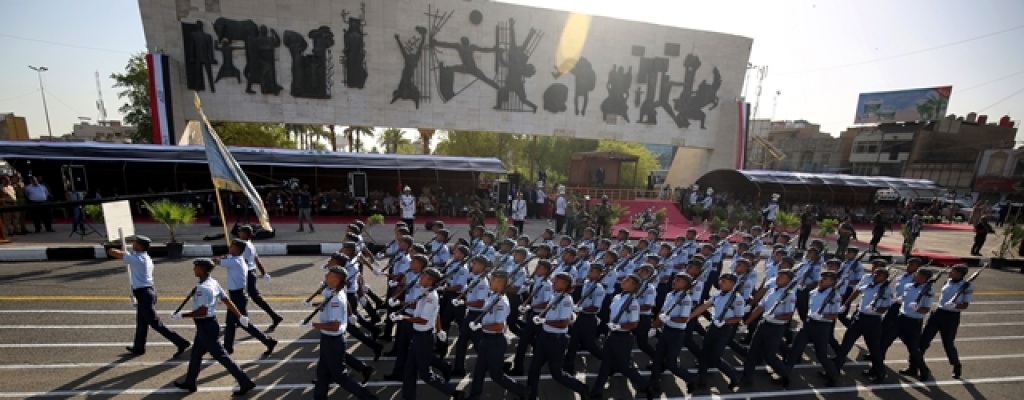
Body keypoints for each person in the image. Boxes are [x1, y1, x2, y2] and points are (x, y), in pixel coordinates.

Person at [171, 258, 256, 396]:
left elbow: (202, 312)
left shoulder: (203, 289)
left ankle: (245, 381)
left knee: (222, 357)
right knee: (196, 354)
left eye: (196, 267)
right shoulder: (213, 282)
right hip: (208, 326)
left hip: (206, 327)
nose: (194, 269)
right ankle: (190, 382)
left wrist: (182, 315)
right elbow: (226, 300)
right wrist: (240, 316)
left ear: (203, 270)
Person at [107, 235, 191, 357]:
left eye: (135, 243)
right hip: (146, 292)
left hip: (144, 294)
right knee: (142, 322)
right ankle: (139, 347)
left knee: (155, 323)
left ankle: (180, 342)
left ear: (140, 246)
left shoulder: (138, 259)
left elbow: (112, 252)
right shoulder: (143, 257)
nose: (133, 244)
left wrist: (113, 246)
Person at [304, 266, 379, 400]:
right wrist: (312, 305)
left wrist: (312, 325)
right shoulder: (333, 291)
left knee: (340, 376)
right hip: (327, 339)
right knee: (322, 373)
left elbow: (334, 326)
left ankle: (368, 397)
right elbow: (325, 305)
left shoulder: (336, 299)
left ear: (336, 279)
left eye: (329, 275)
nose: (326, 276)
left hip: (333, 340)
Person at [394, 267, 464, 400]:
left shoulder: (431, 296)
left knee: (426, 375)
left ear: (430, 281)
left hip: (424, 338)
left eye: (423, 276)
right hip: (417, 336)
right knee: (409, 371)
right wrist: (400, 303)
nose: (420, 278)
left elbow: (423, 320)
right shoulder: (425, 292)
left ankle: (454, 393)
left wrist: (402, 318)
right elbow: (427, 310)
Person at [466, 270, 528, 400]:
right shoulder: (493, 296)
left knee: (496, 375)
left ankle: (523, 392)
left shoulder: (501, 302)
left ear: (500, 282)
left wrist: (481, 326)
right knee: (479, 370)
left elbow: (499, 326)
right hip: (486, 338)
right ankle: (474, 396)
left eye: (492, 279)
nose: (490, 281)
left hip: (495, 341)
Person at [526, 272, 588, 400]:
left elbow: (563, 323)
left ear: (565, 284)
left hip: (556, 340)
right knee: (534, 368)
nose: (553, 282)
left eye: (557, 281)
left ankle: (582, 388)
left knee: (557, 373)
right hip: (545, 336)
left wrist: (544, 321)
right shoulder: (555, 295)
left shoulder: (566, 300)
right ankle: (530, 395)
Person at [589, 274, 651, 399]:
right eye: (625, 279)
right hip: (612, 335)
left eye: (628, 280)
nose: (624, 281)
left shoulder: (633, 303)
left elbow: (634, 324)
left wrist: (620, 327)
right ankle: (597, 390)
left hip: (623, 337)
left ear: (634, 286)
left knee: (624, 367)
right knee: (606, 364)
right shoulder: (617, 297)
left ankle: (646, 384)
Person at [213, 240, 278, 355]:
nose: (230, 247)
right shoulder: (238, 259)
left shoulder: (234, 261)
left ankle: (268, 341)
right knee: (232, 323)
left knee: (242, 323)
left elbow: (215, 261)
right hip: (238, 295)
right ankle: (228, 347)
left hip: (237, 296)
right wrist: (226, 256)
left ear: (237, 249)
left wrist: (223, 257)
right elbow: (224, 259)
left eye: (232, 246)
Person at [781, 271, 843, 387]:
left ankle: (833, 375)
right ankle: (785, 374)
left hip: (822, 326)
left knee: (821, 355)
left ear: (832, 282)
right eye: (822, 277)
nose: (822, 279)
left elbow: (834, 315)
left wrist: (822, 316)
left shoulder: (835, 296)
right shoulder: (814, 292)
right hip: (809, 324)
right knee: (795, 349)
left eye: (826, 279)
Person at [832, 268, 892, 383]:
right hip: (859, 318)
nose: (875, 276)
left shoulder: (886, 290)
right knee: (846, 344)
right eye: (875, 274)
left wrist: (876, 309)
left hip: (873, 321)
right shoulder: (869, 285)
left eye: (879, 275)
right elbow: (856, 291)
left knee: (874, 349)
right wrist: (845, 305)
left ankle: (880, 373)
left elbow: (886, 307)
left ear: (884, 278)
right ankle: (834, 370)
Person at [740, 269, 796, 387]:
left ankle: (785, 373)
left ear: (789, 281)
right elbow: (760, 308)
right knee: (752, 352)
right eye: (778, 275)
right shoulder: (771, 291)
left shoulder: (790, 295)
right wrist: (746, 322)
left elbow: (788, 316)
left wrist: (774, 315)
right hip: (763, 324)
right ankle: (747, 377)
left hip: (776, 328)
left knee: (769, 356)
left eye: (782, 277)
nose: (778, 278)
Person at [920, 264, 973, 379]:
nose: (950, 273)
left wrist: (954, 305)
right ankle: (916, 364)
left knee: (948, 343)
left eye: (953, 271)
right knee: (924, 340)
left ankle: (956, 365)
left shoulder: (967, 287)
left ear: (960, 274)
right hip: (938, 313)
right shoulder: (947, 282)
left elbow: (965, 305)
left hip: (951, 316)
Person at [649, 273, 697, 396]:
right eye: (675, 279)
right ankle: (655, 384)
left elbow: (684, 319)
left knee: (671, 363)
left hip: (677, 333)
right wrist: (655, 325)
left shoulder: (686, 299)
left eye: (679, 280)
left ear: (685, 284)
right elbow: (662, 311)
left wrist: (669, 318)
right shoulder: (670, 294)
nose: (675, 281)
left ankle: (690, 378)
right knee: (657, 357)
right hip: (666, 330)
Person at [882, 267, 934, 381]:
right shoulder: (909, 286)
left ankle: (922, 370)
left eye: (918, 274)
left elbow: (926, 309)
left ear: (924, 278)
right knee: (885, 341)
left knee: (913, 348)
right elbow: (902, 299)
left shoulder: (928, 291)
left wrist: (917, 309)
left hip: (914, 322)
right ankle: (877, 368)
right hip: (901, 318)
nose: (915, 275)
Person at [238, 225, 284, 330]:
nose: (239, 233)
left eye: (240, 232)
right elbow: (257, 260)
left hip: (247, 273)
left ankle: (274, 316)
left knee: (251, 297)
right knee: (242, 297)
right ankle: (240, 318)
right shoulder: (250, 244)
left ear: (245, 234)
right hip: (251, 272)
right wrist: (263, 273)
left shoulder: (244, 246)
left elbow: (243, 262)